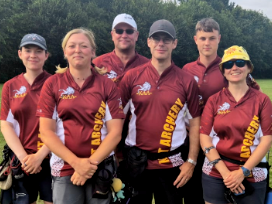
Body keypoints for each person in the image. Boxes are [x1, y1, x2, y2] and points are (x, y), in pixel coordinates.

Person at [37, 28, 125, 204]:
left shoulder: (107, 85)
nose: (77, 50)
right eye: (72, 46)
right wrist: (77, 163)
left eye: (83, 46)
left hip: (100, 167)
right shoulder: (52, 84)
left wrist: (88, 165)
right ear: (65, 52)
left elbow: (115, 133)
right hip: (65, 167)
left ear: (93, 52)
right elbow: (46, 132)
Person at [118, 19, 200, 204]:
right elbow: (117, 118)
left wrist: (192, 161)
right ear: (148, 42)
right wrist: (117, 156)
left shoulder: (186, 80)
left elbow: (195, 123)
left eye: (166, 39)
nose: (161, 43)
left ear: (175, 43)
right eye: (156, 38)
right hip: (137, 164)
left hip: (172, 164)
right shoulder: (132, 77)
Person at [182, 18, 260, 204]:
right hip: (192, 140)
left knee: (221, 193)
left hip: (220, 143)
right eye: (202, 38)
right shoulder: (186, 69)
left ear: (219, 39)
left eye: (211, 38)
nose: (207, 43)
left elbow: (256, 98)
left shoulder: (229, 67)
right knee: (193, 193)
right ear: (195, 40)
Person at [200, 45, 272, 204]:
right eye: (228, 64)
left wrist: (243, 172)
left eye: (240, 62)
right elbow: (204, 137)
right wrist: (226, 173)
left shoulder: (262, 100)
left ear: (248, 67)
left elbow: (267, 139)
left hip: (253, 173)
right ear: (223, 71)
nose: (234, 67)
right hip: (216, 173)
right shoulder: (214, 100)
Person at [0, 34, 52, 204]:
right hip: (23, 160)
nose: (33, 55)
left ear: (46, 55)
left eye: (38, 51)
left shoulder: (56, 83)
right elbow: (6, 125)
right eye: (27, 50)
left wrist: (40, 155)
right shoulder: (10, 86)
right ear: (20, 54)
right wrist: (25, 158)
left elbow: (63, 125)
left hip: (53, 158)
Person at [93, 13, 148, 86]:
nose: (124, 35)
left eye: (129, 31)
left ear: (136, 35)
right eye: (119, 31)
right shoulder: (97, 64)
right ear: (112, 35)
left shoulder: (148, 66)